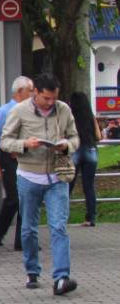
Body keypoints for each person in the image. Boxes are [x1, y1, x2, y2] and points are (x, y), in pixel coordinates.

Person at [0, 73, 79, 294]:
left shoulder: (64, 110)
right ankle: (32, 270)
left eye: (54, 98)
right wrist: (25, 144)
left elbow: (75, 137)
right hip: (29, 176)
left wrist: (67, 146)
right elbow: (5, 141)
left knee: (59, 226)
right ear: (35, 93)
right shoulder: (19, 111)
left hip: (57, 177)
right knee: (28, 229)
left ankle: (61, 278)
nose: (50, 102)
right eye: (46, 98)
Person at [0, 76, 34, 250]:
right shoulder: (4, 111)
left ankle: (23, 240)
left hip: (26, 158)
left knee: (26, 198)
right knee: (14, 198)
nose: (33, 93)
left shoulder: (31, 110)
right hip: (8, 159)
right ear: (20, 91)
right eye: (30, 90)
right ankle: (0, 227)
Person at [68, 92, 102, 227]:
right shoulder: (90, 116)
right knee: (89, 186)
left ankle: (62, 216)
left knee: (68, 185)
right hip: (90, 150)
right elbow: (98, 136)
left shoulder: (70, 116)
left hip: (75, 150)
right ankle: (91, 218)